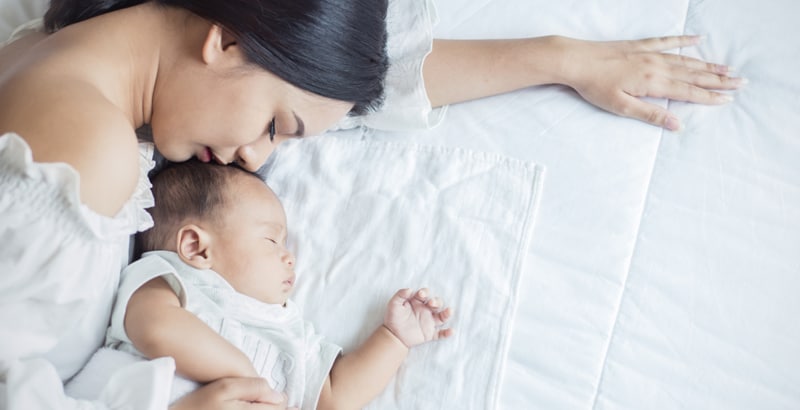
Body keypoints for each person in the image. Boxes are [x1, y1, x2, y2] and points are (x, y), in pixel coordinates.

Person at [0, 0, 743, 408]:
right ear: (225, 41)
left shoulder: (54, 41)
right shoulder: (82, 155)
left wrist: (561, 59)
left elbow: (350, 89)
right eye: (272, 128)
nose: (257, 159)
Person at [77, 159, 454, 410]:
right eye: (272, 241)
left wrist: (395, 339)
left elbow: (334, 397)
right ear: (196, 247)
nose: (289, 257)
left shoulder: (288, 329)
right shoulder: (169, 277)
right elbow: (157, 329)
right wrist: (244, 374)